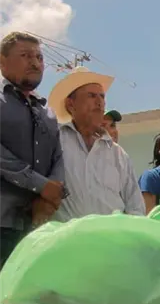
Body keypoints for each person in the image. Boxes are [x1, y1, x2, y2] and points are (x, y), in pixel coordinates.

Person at [0, 31, 64, 267]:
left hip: (38, 227)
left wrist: (50, 197)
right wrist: (41, 185)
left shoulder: (47, 113)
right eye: (26, 55)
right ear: (2, 61)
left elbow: (58, 157)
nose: (35, 62)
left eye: (39, 57)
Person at [48, 67, 144, 221]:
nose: (99, 102)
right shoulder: (54, 141)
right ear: (71, 105)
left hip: (112, 241)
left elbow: (135, 206)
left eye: (102, 96)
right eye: (91, 96)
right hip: (67, 240)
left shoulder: (118, 154)